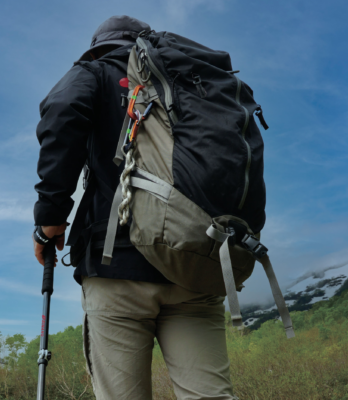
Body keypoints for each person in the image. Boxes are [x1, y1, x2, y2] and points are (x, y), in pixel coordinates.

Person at [33, 15, 236, 400]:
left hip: (117, 266)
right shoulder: (190, 80)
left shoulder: (96, 71)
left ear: (100, 44)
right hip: (195, 263)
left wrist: (50, 218)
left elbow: (62, 110)